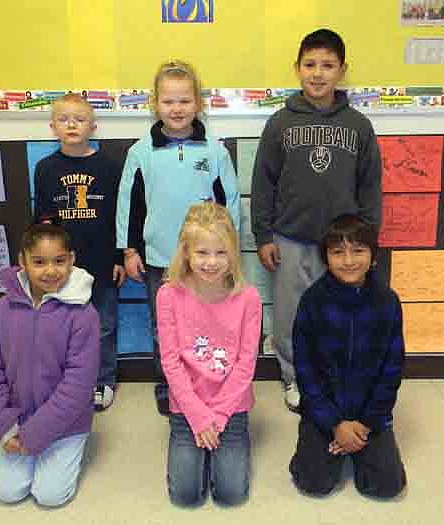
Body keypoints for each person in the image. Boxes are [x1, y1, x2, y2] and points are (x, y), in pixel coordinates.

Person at [251, 28, 382, 411]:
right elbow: (263, 182)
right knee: (291, 315)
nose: (318, 73)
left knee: (341, 314)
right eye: (310, 64)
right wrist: (263, 235)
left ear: (343, 70)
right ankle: (294, 378)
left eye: (328, 65)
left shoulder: (358, 126)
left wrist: (367, 242)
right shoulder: (280, 123)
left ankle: (335, 376)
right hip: (290, 238)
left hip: (343, 245)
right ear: (297, 69)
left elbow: (370, 185)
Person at [117, 60, 240, 415]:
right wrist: (129, 250)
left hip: (207, 259)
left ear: (198, 104)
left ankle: (208, 378)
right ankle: (168, 384)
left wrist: (228, 251)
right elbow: (130, 205)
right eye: (168, 101)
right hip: (158, 257)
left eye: (185, 101)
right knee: (165, 326)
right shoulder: (140, 152)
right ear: (154, 103)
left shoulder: (214, 150)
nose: (176, 108)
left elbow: (230, 202)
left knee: (208, 321)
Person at [0, 223, 100, 507]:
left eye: (59, 261)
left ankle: (66, 446)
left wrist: (35, 435)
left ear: (72, 259)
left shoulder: (84, 315)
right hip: (16, 420)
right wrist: (5, 428)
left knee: (50, 496)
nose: (50, 270)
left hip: (67, 424)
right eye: (39, 262)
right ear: (22, 262)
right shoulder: (1, 311)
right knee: (7, 493)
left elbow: (78, 386)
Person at [289, 214, 406, 499]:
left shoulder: (387, 302)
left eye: (358, 250)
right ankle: (329, 446)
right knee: (313, 483)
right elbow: (305, 371)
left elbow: (392, 370)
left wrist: (364, 426)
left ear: (373, 255)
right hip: (324, 414)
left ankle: (355, 446)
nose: (349, 260)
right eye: (338, 252)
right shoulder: (312, 302)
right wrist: (335, 424)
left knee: (387, 486)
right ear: (326, 257)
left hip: (370, 416)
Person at [156, 202, 261, 506]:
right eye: (202, 252)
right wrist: (199, 417)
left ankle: (222, 446)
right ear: (186, 253)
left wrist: (219, 416)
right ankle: (200, 446)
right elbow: (171, 362)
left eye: (221, 252)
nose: (211, 262)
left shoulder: (249, 298)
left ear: (233, 254)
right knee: (185, 496)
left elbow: (245, 365)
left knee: (231, 495)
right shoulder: (168, 294)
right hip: (187, 406)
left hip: (232, 406)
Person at [34, 93, 124, 411]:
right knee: (62, 325)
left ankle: (103, 380)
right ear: (52, 127)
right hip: (62, 266)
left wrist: (118, 258)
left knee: (104, 325)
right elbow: (43, 220)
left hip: (101, 262)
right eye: (63, 119)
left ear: (93, 127)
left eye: (80, 119)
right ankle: (70, 380)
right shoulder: (45, 169)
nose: (71, 124)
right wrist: (44, 263)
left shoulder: (109, 167)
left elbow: (120, 217)